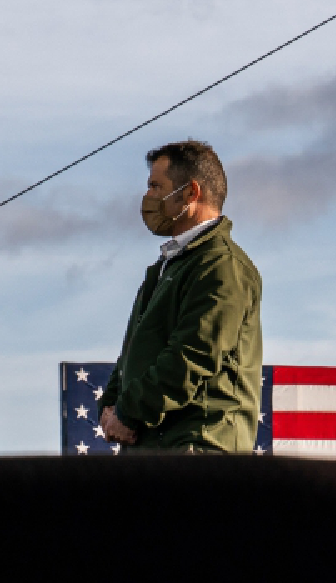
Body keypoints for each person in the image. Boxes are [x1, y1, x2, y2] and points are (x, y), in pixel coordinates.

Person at [98, 140, 261, 453]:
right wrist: (110, 409)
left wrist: (127, 413)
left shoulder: (222, 265)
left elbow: (191, 358)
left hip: (197, 451)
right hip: (154, 451)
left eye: (156, 186)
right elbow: (133, 354)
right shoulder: (167, 267)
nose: (148, 197)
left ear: (191, 193)